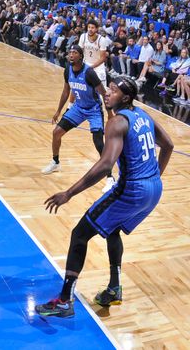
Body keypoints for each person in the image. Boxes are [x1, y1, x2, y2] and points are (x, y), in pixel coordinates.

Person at [36, 76, 172, 318]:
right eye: (108, 89)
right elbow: (169, 145)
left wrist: (69, 193)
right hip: (154, 190)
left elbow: (105, 164)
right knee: (113, 229)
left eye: (114, 90)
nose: (107, 93)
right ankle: (114, 287)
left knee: (80, 234)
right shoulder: (144, 115)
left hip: (132, 190)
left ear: (126, 97)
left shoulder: (117, 122)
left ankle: (65, 301)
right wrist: (155, 177)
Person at [42, 45, 116, 192]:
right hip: (78, 108)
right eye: (69, 52)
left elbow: (103, 93)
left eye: (74, 52)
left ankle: (110, 177)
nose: (70, 55)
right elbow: (65, 90)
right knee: (56, 132)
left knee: (98, 143)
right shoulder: (67, 70)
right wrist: (58, 111)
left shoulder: (89, 73)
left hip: (94, 109)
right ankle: (55, 162)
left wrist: (109, 114)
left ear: (81, 57)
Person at [78, 19, 112, 86]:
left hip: (98, 66)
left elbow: (103, 58)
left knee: (102, 90)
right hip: (86, 64)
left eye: (92, 28)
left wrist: (91, 67)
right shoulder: (83, 36)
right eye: (89, 27)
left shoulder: (102, 40)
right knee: (83, 87)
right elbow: (79, 52)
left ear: (96, 29)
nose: (90, 29)